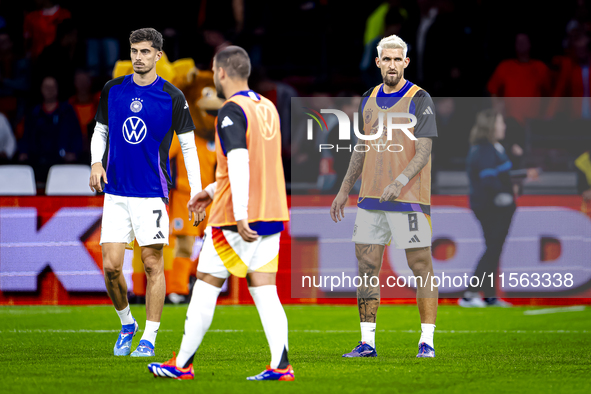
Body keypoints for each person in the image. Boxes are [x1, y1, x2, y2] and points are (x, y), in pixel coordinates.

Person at [147, 46, 293, 381]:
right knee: (264, 289)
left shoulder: (230, 110)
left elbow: (240, 162)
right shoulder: (267, 107)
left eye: (213, 70)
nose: (212, 75)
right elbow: (259, 164)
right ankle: (281, 365)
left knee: (205, 285)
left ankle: (181, 365)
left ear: (222, 72)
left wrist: (239, 213)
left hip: (235, 218)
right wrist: (211, 191)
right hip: (272, 211)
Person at [88, 28, 204, 358]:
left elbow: (188, 147)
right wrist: (96, 162)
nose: (138, 57)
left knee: (152, 263)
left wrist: (195, 191)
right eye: (133, 51)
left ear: (158, 56)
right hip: (116, 192)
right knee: (111, 268)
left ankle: (149, 337)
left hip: (152, 193)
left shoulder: (172, 96)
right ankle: (127, 324)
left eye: (144, 52)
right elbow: (101, 131)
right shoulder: (113, 90)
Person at [330, 34, 439, 358]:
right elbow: (361, 148)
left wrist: (400, 180)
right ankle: (367, 343)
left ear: (406, 62)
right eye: (386, 59)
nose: (392, 65)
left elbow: (424, 150)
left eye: (397, 59)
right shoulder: (367, 98)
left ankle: (427, 341)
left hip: (409, 198)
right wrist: (344, 189)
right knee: (366, 267)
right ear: (377, 62)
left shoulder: (420, 98)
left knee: (421, 267)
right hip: (370, 198)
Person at [461, 109, 515, 307]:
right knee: (493, 249)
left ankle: (490, 296)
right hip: (491, 206)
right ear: (491, 126)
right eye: (501, 123)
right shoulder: (485, 149)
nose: (504, 127)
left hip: (493, 206)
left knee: (494, 249)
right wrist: (504, 195)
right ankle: (470, 293)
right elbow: (489, 179)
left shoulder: (494, 147)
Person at [18, 76, 82, 183]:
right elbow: (26, 136)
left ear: (57, 89)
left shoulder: (67, 111)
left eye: (53, 87)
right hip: (37, 161)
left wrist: (74, 152)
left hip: (62, 161)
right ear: (41, 89)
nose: (50, 90)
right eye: (47, 87)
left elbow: (76, 135)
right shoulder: (33, 113)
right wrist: (23, 152)